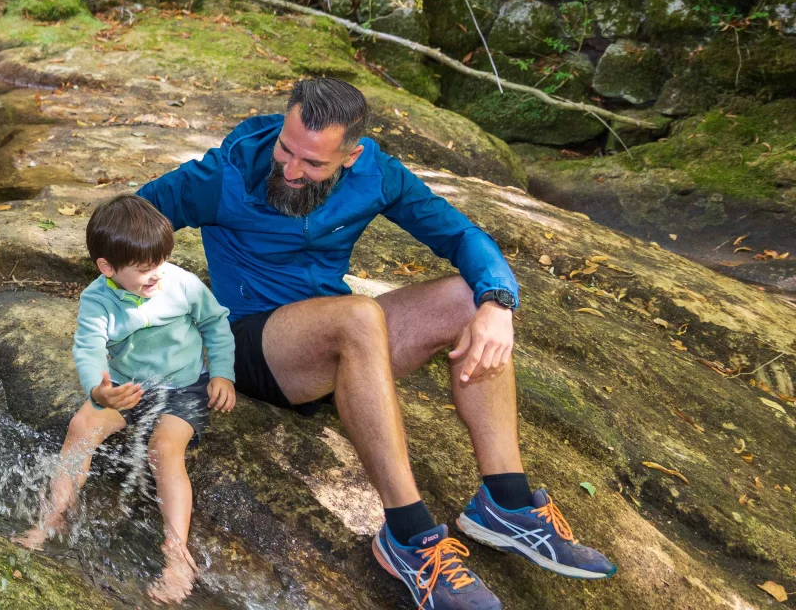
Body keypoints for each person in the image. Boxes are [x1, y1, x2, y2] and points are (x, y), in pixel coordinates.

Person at [137, 77, 615, 610]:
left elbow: (461, 236)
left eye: (314, 164)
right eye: (285, 150)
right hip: (255, 345)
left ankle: (504, 503)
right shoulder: (223, 174)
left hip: (342, 345)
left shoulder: (375, 173)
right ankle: (409, 537)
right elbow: (128, 222)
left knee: (468, 299)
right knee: (360, 316)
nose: (292, 171)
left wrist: (498, 304)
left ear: (351, 155)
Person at [14, 194, 235, 605]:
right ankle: (52, 518)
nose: (157, 276)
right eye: (145, 269)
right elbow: (88, 349)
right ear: (107, 268)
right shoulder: (97, 299)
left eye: (161, 263)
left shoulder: (181, 283)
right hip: (126, 387)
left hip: (183, 388)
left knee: (164, 450)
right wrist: (100, 391)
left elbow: (215, 323)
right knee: (80, 428)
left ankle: (176, 555)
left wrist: (223, 373)